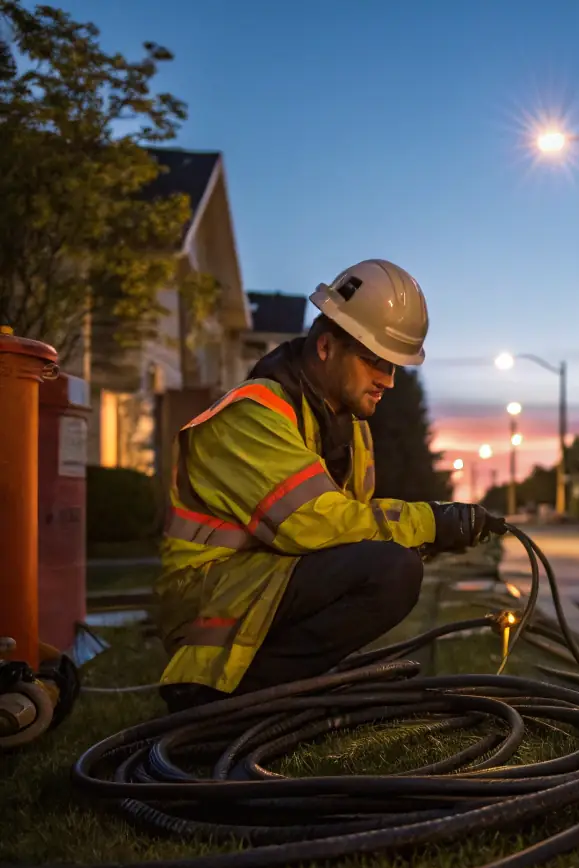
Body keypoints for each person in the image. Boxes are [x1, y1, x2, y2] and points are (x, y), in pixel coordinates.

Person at [156, 259, 502, 713]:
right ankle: (218, 700)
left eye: (395, 365)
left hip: (258, 588)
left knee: (391, 566)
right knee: (391, 572)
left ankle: (289, 688)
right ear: (325, 347)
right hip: (210, 608)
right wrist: (433, 521)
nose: (389, 380)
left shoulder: (348, 429)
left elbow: (352, 531)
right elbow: (316, 525)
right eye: (375, 361)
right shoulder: (251, 417)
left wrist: (430, 535)